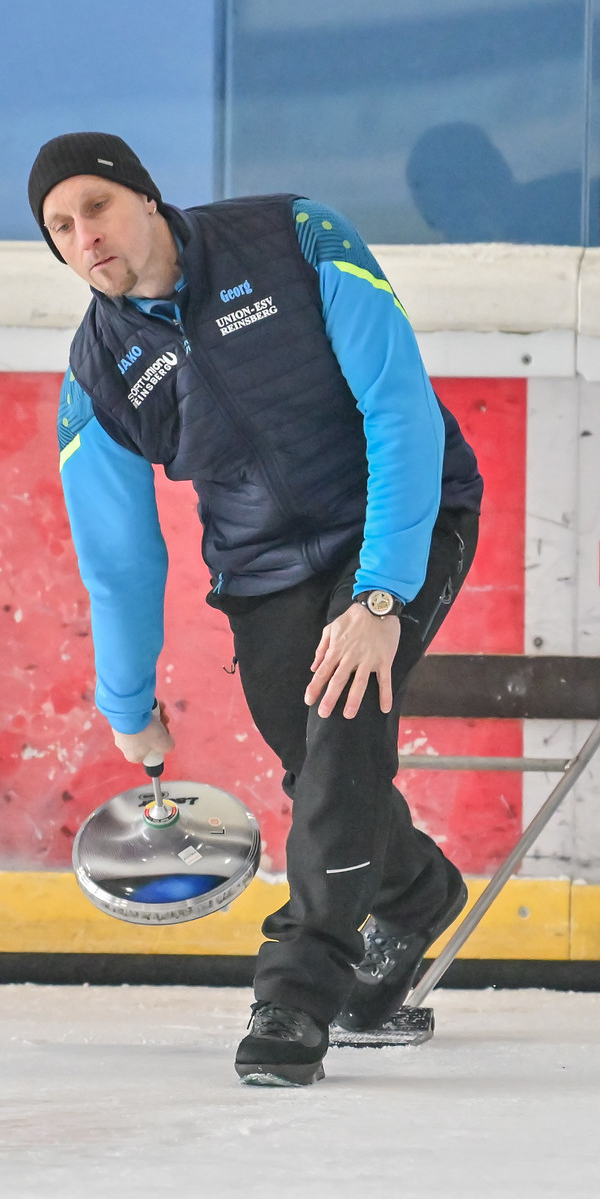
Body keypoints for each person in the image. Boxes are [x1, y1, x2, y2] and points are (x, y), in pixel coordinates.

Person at [31, 133, 485, 1086]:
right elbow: (118, 556)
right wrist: (127, 701)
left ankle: (297, 988)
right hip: (266, 567)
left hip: (401, 517)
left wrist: (379, 593)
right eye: (60, 228)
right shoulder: (99, 372)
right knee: (316, 761)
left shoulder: (296, 238)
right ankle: (414, 890)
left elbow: (397, 405)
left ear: (145, 198)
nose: (85, 237)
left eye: (96, 208)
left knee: (341, 723)